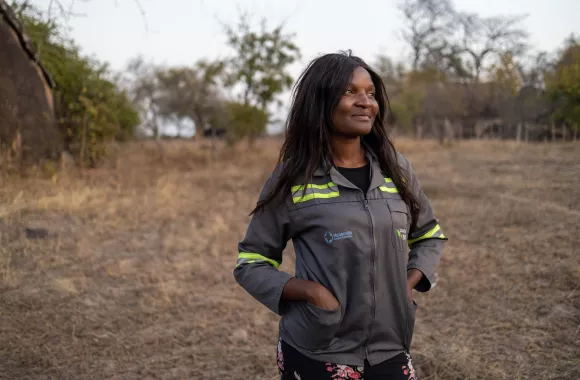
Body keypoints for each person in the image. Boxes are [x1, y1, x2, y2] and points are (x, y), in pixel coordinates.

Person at [233, 51, 447, 380]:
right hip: (320, 350)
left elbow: (429, 235)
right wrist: (311, 293)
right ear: (320, 102)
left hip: (390, 347)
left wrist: (405, 286)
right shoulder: (294, 178)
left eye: (371, 93)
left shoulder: (396, 168)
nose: (365, 102)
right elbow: (251, 261)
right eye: (350, 92)